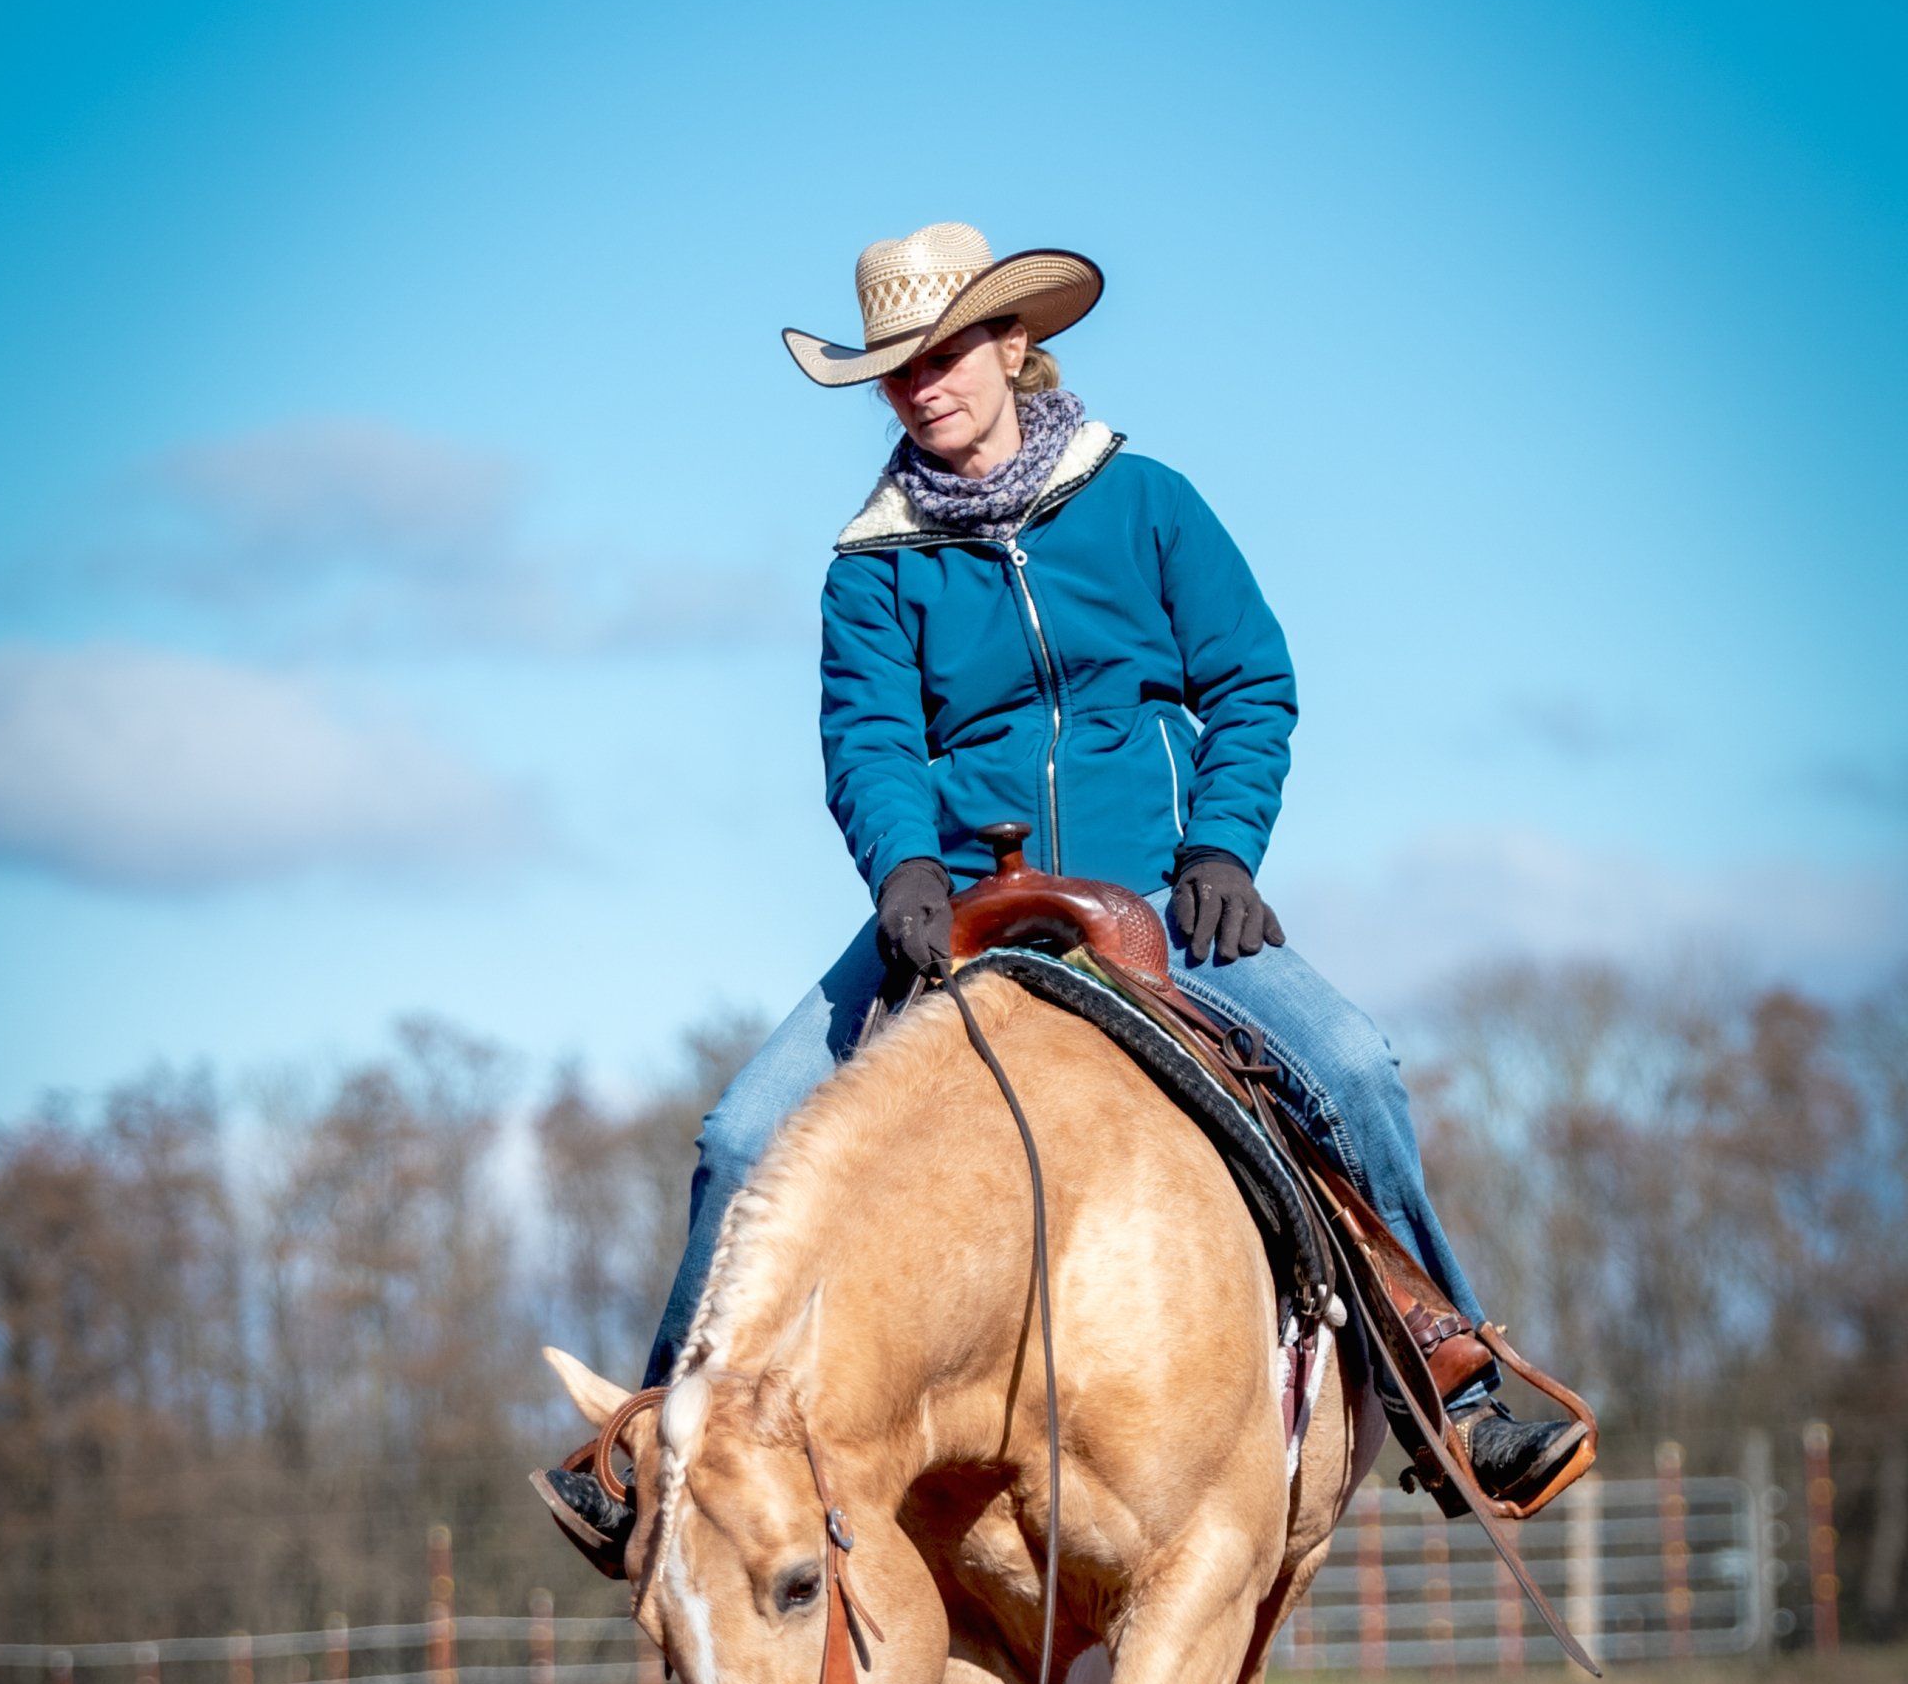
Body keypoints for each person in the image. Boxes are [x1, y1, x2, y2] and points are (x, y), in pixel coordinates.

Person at [540, 222, 1586, 1569]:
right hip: (955, 908)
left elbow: (1251, 684)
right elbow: (869, 741)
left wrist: (1222, 851)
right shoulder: (874, 565)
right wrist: (903, 869)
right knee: (744, 1136)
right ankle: (657, 1450)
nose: (924, 383)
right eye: (896, 368)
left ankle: (1458, 1390)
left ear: (1012, 343)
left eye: (948, 350)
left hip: (1161, 893)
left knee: (1358, 1067)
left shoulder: (1147, 503)